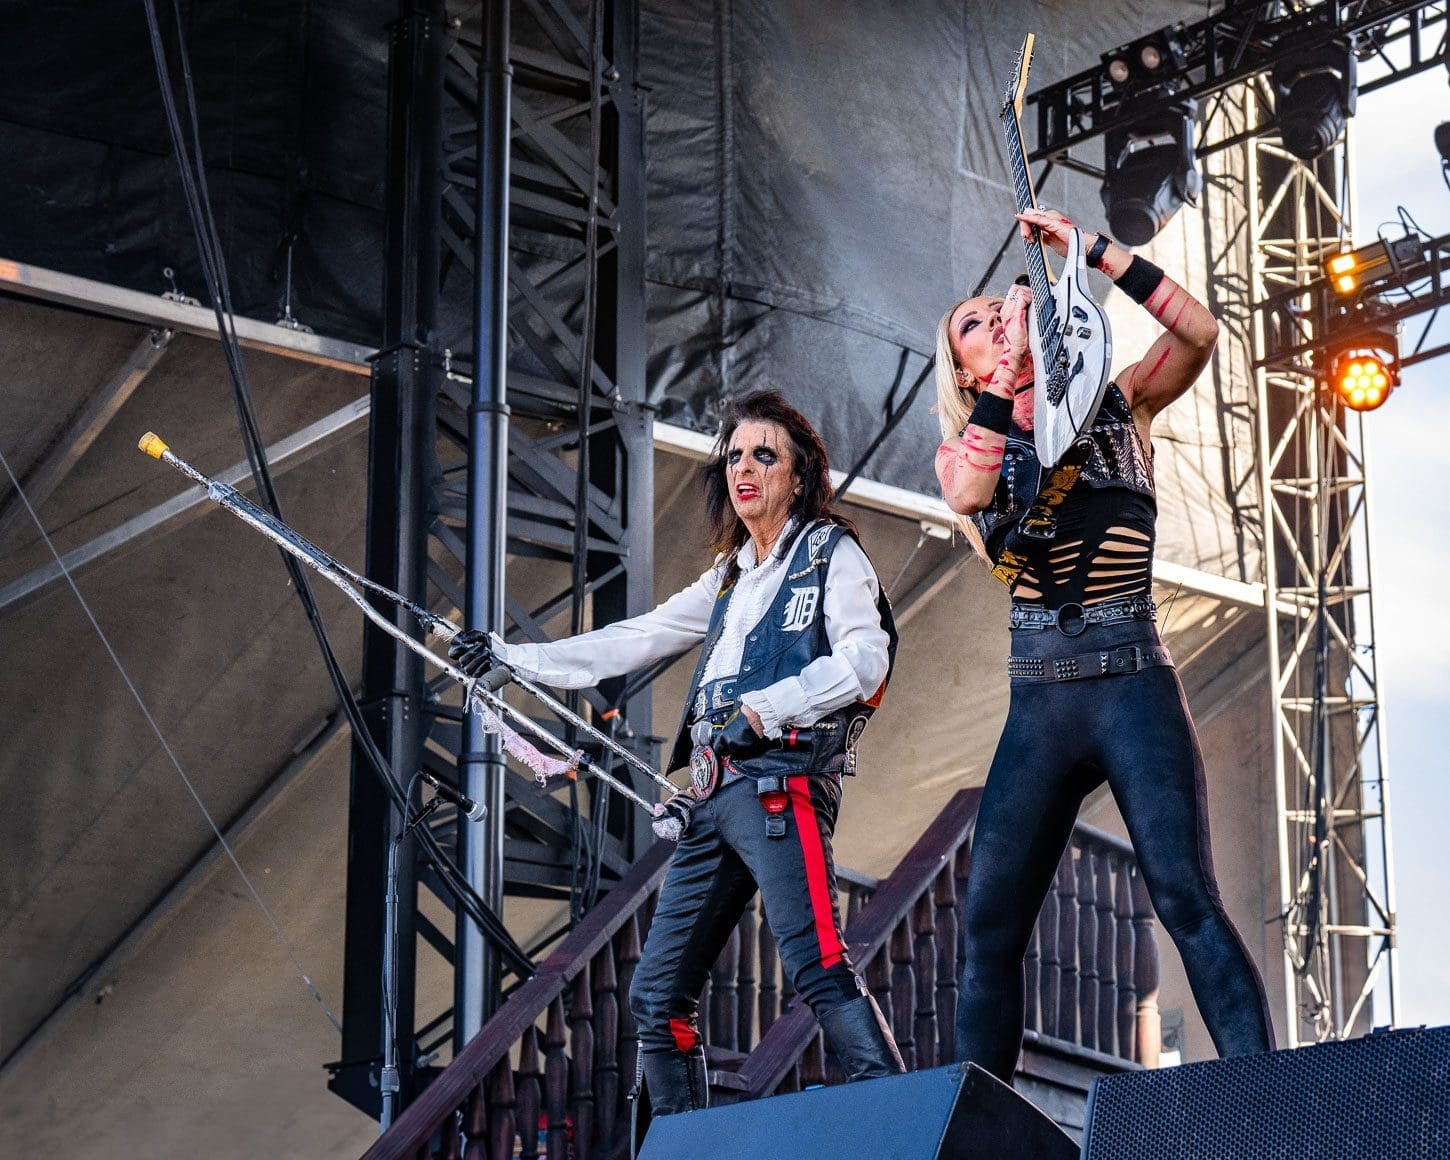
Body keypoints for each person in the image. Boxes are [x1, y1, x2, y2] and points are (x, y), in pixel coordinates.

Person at [450, 389, 904, 1115]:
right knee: (655, 997)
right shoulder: (729, 574)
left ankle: (896, 1121)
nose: (743, 467)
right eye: (733, 455)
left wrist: (764, 709)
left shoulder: (830, 551)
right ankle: (680, 1141)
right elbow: (637, 637)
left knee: (816, 965)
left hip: (778, 784)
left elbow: (866, 661)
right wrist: (513, 659)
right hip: (715, 795)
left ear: (798, 474)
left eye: (765, 454)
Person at [932, 207, 1275, 1081]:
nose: (994, 318)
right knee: (988, 928)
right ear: (962, 366)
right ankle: (982, 1128)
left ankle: (1266, 1102)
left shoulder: (1124, 401)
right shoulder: (968, 446)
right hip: (1041, 697)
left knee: (1186, 895)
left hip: (1130, 680)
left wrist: (1093, 252)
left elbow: (1198, 329)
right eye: (972, 324)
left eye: (998, 306)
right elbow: (974, 492)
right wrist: (1013, 372)